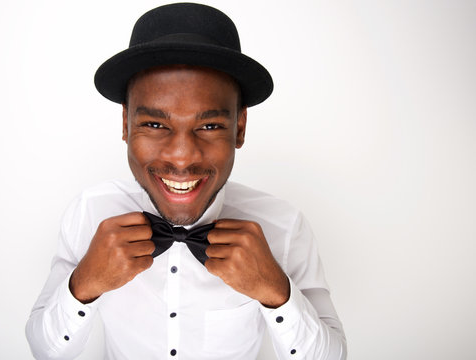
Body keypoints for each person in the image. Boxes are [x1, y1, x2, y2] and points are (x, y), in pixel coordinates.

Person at [25, 3, 347, 359]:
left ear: (239, 128)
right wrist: (83, 285)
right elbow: (44, 350)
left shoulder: (284, 226)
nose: (181, 157)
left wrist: (276, 293)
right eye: (155, 125)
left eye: (209, 126)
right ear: (125, 125)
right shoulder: (88, 212)